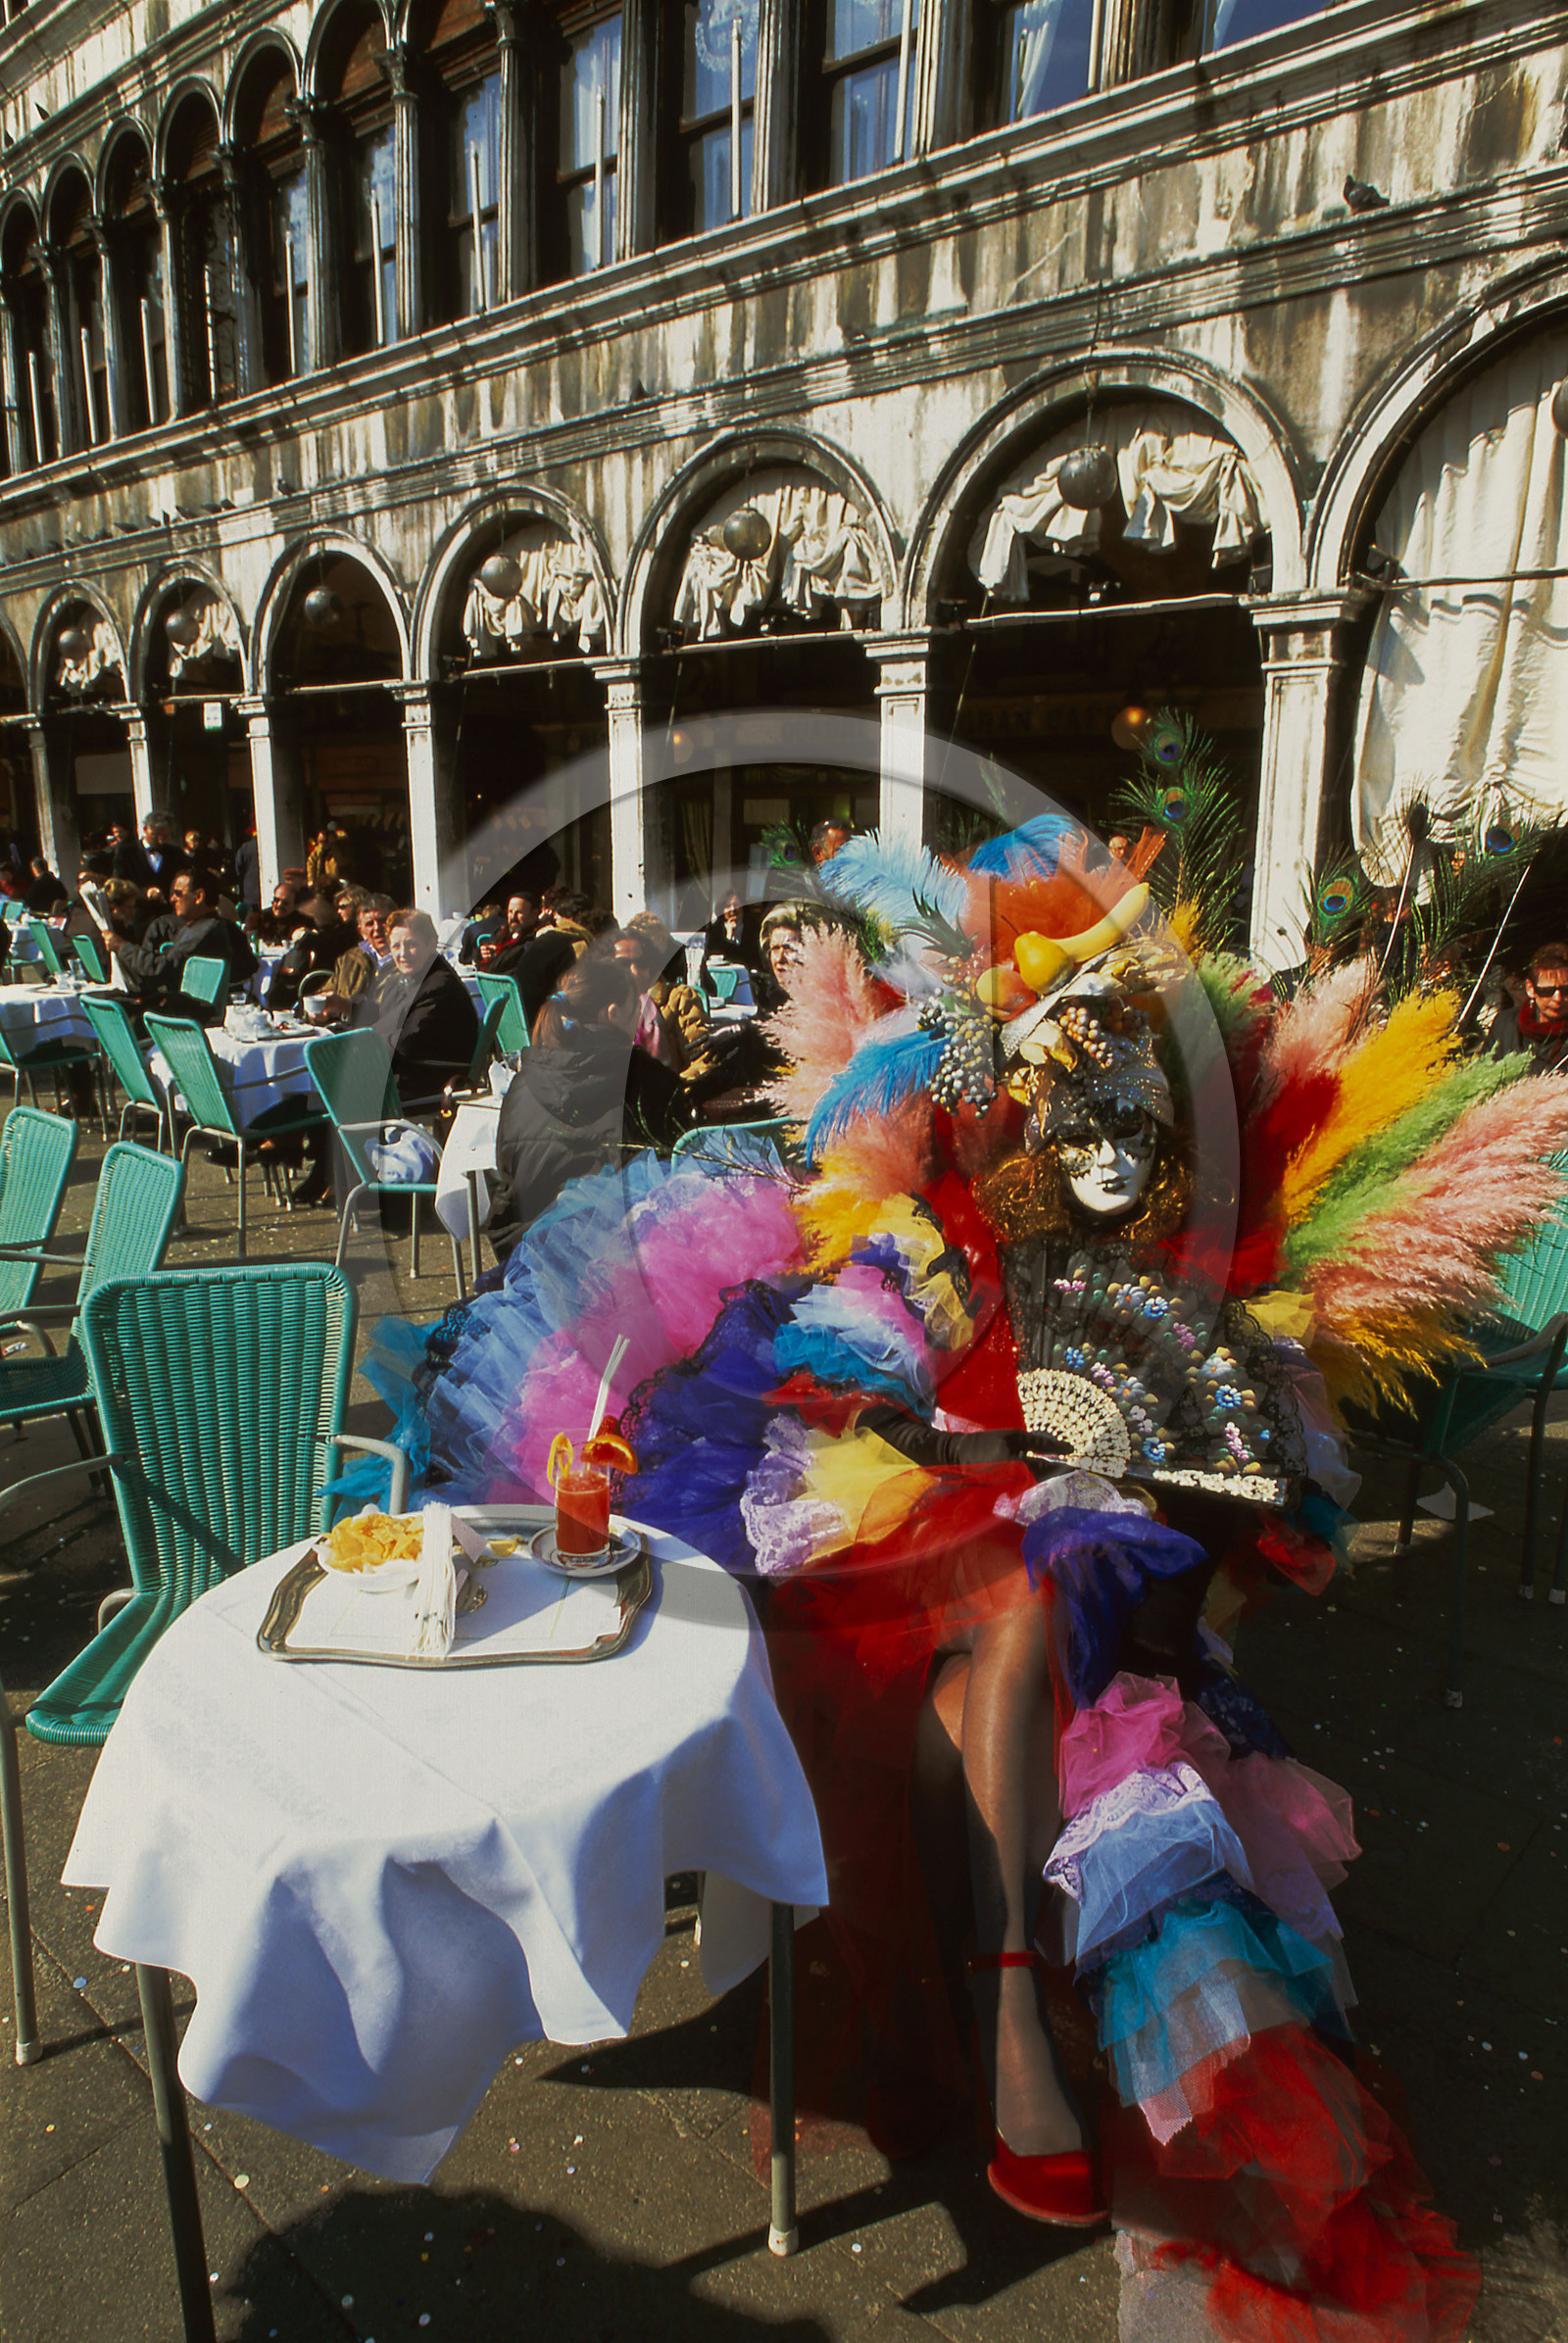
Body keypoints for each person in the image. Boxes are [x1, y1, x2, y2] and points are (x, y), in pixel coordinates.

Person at [363, 805, 1539, 2343]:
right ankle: (1001, 2004)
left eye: (1098, 1104)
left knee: (1040, 1607)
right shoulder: (924, 1233)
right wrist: (937, 1428)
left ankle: (1014, 2003)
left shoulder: (1177, 1272)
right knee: (1000, 1594)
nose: (1062, 1134)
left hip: (1091, 1572)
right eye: (1030, 1095)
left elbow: (1219, 1521)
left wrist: (1119, 1461)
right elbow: (814, 1381)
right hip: (890, 1565)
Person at [484, 954, 693, 1262]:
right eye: (636, 1005)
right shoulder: (638, 1074)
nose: (641, 1012)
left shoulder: (524, 1076)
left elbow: (508, 1170)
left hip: (523, 1245)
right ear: (612, 1013)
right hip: (609, 1255)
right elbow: (681, 1162)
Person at [361, 906, 479, 1107]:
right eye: (396, 946)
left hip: (422, 1086)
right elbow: (386, 1016)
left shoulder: (438, 988)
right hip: (402, 1076)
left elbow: (405, 1045)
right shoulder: (410, 977)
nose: (402, 953)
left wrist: (356, 1046)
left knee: (324, 1097)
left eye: (411, 945)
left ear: (431, 944)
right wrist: (347, 1010)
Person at [101, 865, 258, 1016]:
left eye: (178, 893)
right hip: (186, 1010)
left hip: (190, 1018)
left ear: (199, 896)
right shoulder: (199, 927)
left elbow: (160, 969)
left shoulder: (205, 930)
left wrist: (120, 946)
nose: (172, 899)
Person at [614, 916, 710, 1071]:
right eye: (623, 964)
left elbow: (702, 1060)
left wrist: (676, 1091)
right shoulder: (599, 1006)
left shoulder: (679, 999)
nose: (634, 971)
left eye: (642, 962)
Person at [1488, 938, 1568, 1070]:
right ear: (1530, 989)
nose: (1557, 998)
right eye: (1547, 991)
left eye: (1566, 990)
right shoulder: (1504, 1025)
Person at [699, 890, 762, 1001]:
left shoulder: (753, 928)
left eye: (736, 905)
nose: (733, 909)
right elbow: (714, 954)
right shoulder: (714, 929)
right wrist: (729, 937)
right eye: (728, 906)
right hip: (721, 980)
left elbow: (749, 957)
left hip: (751, 980)